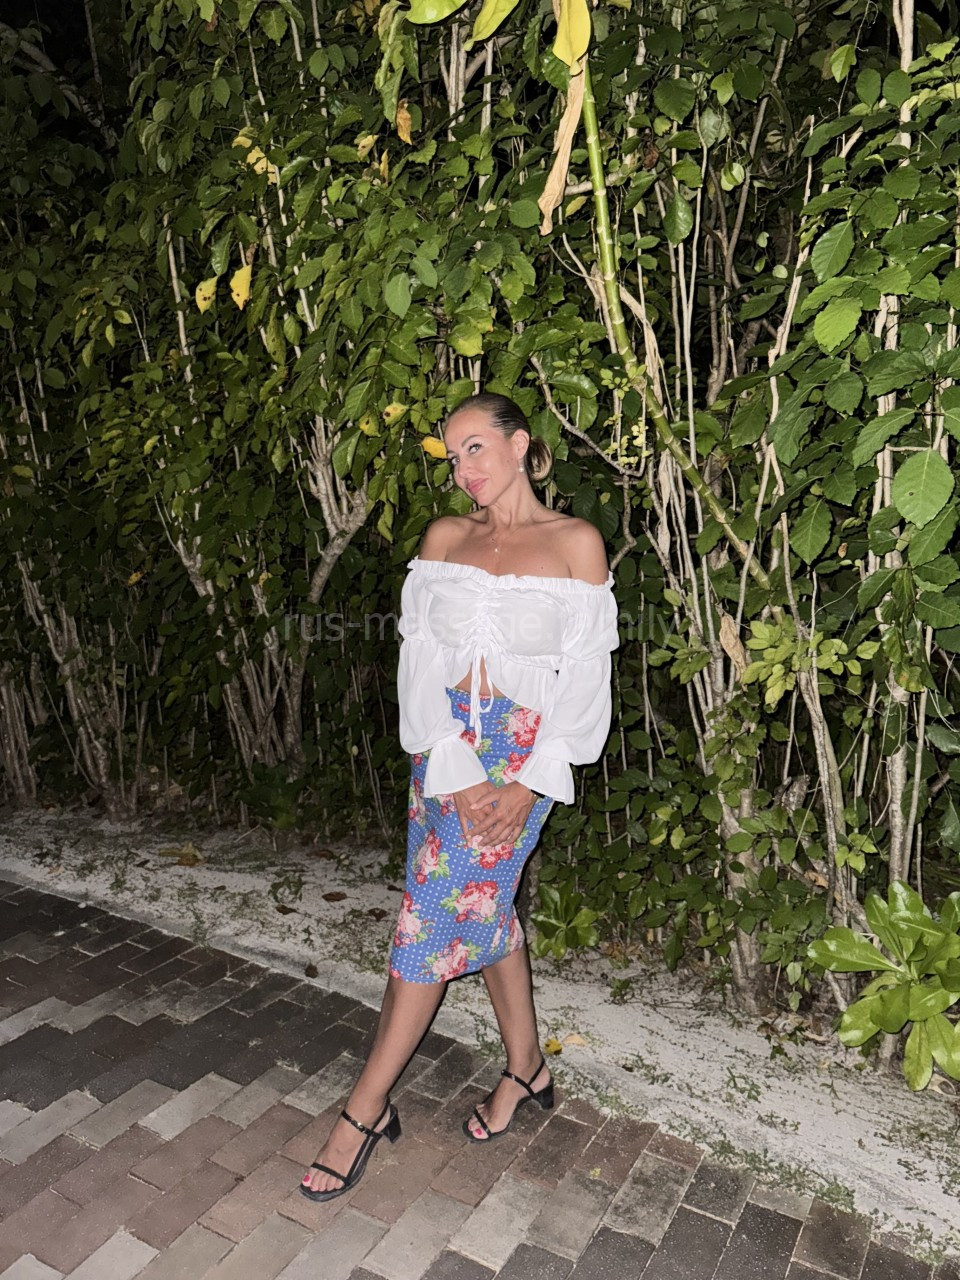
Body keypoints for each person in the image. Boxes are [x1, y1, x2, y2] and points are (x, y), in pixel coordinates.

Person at [300, 392, 619, 1202]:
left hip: (520, 763)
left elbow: (587, 678)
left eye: (476, 447)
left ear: (521, 445)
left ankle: (363, 1111)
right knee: (480, 908)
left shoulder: (576, 543)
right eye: (453, 456)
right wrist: (451, 758)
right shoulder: (445, 539)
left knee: (429, 923)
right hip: (445, 754)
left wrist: (531, 780)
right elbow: (417, 661)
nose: (463, 469)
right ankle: (527, 1068)